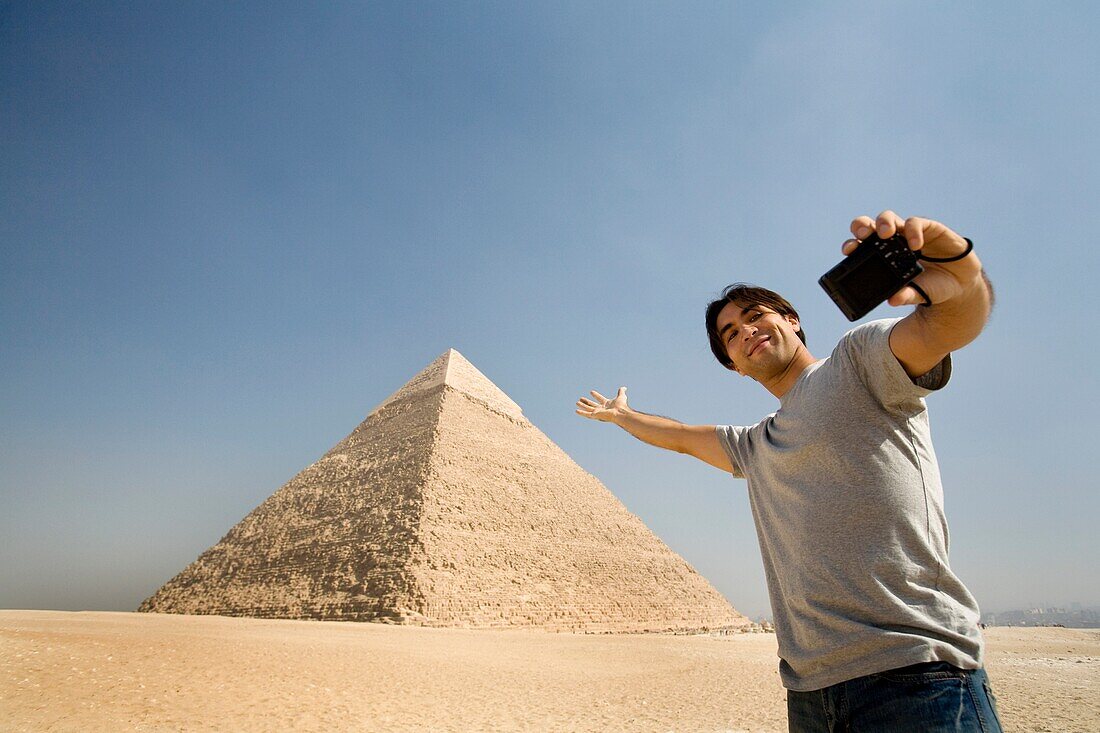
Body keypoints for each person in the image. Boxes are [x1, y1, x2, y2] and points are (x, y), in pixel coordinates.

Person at [576, 211, 1003, 732]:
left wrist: (962, 278)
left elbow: (946, 327)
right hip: (809, 694)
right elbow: (682, 438)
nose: (747, 331)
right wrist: (622, 417)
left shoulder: (859, 361)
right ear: (732, 364)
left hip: (914, 676)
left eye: (755, 315)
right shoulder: (757, 444)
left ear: (792, 318)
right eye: (731, 334)